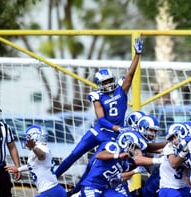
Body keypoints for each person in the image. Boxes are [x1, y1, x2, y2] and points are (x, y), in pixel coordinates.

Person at [55, 37, 144, 178]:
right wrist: (119, 128)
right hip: (99, 130)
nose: (108, 84)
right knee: (75, 154)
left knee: (93, 165)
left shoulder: (122, 89)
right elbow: (101, 119)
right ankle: (54, 177)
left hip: (112, 136)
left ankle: (76, 190)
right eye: (105, 82)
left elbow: (130, 73)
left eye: (110, 80)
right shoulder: (97, 96)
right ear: (99, 84)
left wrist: (137, 55)